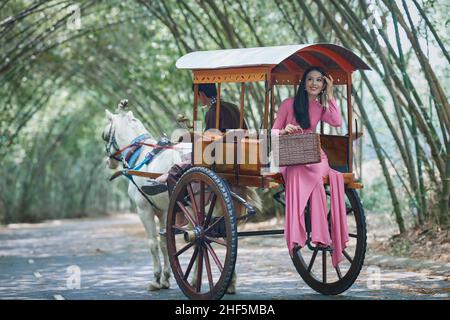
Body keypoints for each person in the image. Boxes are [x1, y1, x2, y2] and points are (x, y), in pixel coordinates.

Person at [272, 66, 349, 268]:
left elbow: (337, 121)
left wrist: (331, 95)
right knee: (301, 172)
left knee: (315, 172)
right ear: (304, 84)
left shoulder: (320, 107)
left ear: (323, 85)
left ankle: (320, 234)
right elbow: (273, 131)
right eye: (310, 80)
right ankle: (306, 234)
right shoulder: (288, 104)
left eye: (319, 80)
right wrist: (284, 130)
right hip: (292, 158)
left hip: (315, 157)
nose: (314, 83)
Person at [142, 83, 246, 195]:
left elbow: (209, 141)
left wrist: (191, 138)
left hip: (219, 158)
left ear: (201, 94)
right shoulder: (233, 107)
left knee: (177, 168)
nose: (198, 99)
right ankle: (162, 179)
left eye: (197, 96)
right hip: (240, 156)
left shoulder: (213, 112)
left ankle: (177, 206)